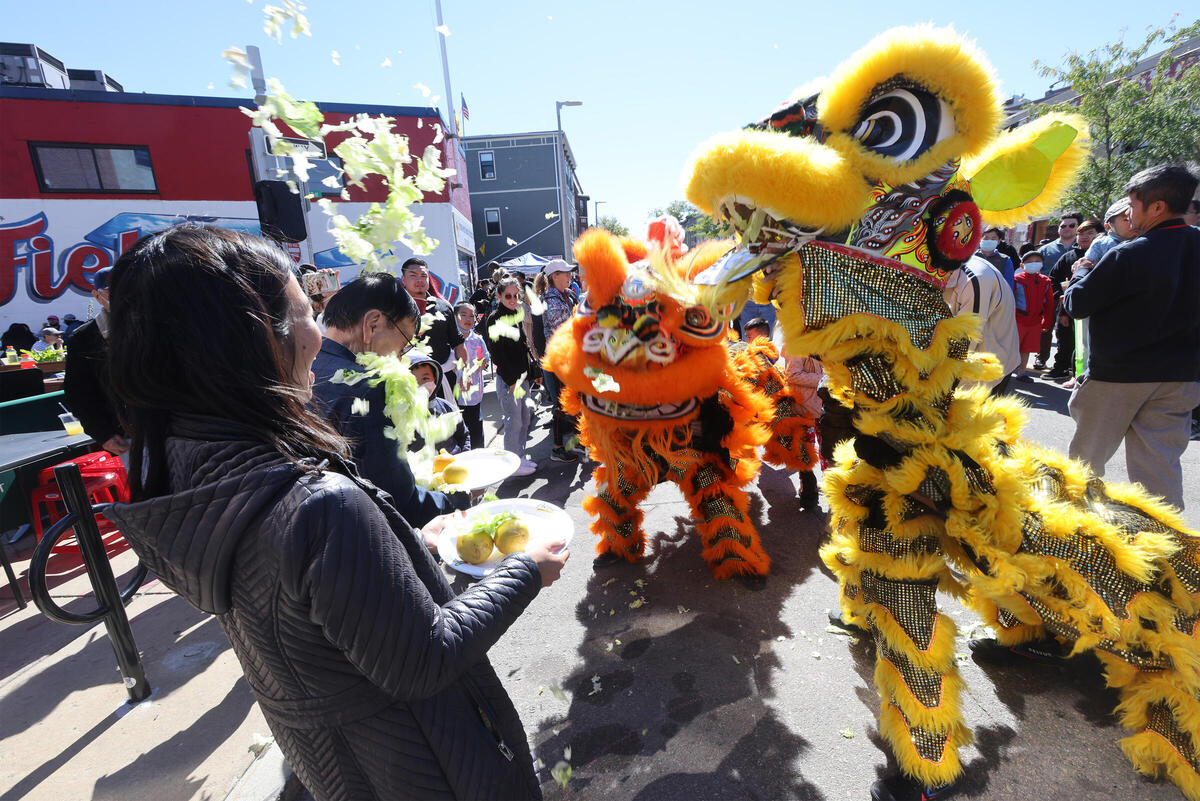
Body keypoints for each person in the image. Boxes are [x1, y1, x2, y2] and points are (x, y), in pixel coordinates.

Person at [102, 225, 566, 801]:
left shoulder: (177, 473)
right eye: (305, 312)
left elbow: (316, 605)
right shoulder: (318, 505)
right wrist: (526, 570)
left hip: (336, 766)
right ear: (254, 338)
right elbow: (423, 658)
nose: (317, 339)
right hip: (427, 764)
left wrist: (403, 544)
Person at [1064, 163, 1200, 510]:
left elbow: (1078, 304)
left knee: (1084, 465)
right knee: (1159, 471)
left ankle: (1073, 528)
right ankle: (1164, 538)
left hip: (1118, 376)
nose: (1128, 213)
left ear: (1157, 207)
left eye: (1133, 205)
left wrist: (1079, 274)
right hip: (1181, 377)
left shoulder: (1130, 252)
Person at [313, 273, 468, 528]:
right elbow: (399, 501)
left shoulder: (309, 365)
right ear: (372, 324)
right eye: (404, 344)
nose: (399, 358)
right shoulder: (369, 388)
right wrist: (458, 500)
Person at [63, 268, 129, 456]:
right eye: (112, 291)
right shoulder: (84, 338)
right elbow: (79, 394)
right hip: (127, 438)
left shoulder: (157, 325)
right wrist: (104, 434)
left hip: (174, 431)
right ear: (97, 296)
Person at [941, 254, 1021, 394]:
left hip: (987, 367)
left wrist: (941, 382)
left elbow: (966, 340)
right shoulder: (951, 269)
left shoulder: (974, 279)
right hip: (968, 362)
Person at [485, 277, 536, 476]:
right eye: (508, 296)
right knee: (514, 423)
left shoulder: (516, 313)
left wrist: (531, 373)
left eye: (516, 295)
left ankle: (519, 457)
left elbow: (522, 348)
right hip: (510, 381)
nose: (513, 299)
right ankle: (512, 463)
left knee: (524, 420)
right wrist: (512, 381)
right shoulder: (495, 318)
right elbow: (497, 354)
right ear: (499, 296)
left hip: (522, 378)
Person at [400, 258, 468, 400]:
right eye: (413, 275)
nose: (419, 280)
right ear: (403, 279)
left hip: (443, 378)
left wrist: (465, 373)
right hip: (407, 381)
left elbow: (458, 343)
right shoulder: (393, 308)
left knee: (446, 413)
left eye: (423, 276)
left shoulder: (443, 307)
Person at [538, 259, 585, 462]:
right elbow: (564, 330)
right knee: (562, 403)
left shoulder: (567, 295)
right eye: (565, 273)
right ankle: (557, 448)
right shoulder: (551, 300)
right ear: (554, 276)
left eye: (569, 273)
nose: (569, 276)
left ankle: (579, 441)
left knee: (574, 400)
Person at [1045, 218, 1102, 381]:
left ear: (1099, 235)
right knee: (1065, 339)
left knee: (1086, 343)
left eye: (1089, 233)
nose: (1084, 237)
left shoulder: (1104, 256)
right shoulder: (1068, 257)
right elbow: (1053, 278)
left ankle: (1081, 375)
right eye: (1081, 234)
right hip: (1067, 306)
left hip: (1092, 309)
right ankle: (1062, 369)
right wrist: (1060, 296)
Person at [1034, 211, 1082, 369]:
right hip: (1049, 294)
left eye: (1071, 225)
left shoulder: (1083, 248)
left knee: (1069, 331)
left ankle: (1068, 362)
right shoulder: (1046, 250)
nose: (1066, 228)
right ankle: (1041, 357)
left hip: (1074, 295)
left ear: (1078, 227)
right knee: (1045, 328)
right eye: (1063, 226)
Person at [407, 353, 470, 453]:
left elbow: (463, 435)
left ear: (435, 379)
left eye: (425, 379)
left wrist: (464, 454)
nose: (420, 385)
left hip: (453, 461)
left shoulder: (447, 407)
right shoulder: (401, 416)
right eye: (412, 381)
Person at [1011, 251, 1055, 380]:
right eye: (1029, 262)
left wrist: (1046, 321)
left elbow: (1049, 303)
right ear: (1022, 265)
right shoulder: (1016, 279)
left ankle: (1022, 372)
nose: (1033, 264)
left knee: (1027, 348)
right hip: (1018, 320)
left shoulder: (1045, 281)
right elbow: (1010, 300)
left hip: (1035, 321)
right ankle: (1005, 373)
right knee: (1012, 347)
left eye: (1037, 261)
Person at [453, 302, 489, 450]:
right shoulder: (450, 340)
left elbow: (485, 359)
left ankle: (478, 452)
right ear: (455, 317)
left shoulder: (477, 340)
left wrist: (483, 363)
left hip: (474, 393)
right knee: (459, 429)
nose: (468, 319)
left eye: (472, 316)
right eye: (464, 315)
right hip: (455, 393)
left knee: (476, 427)